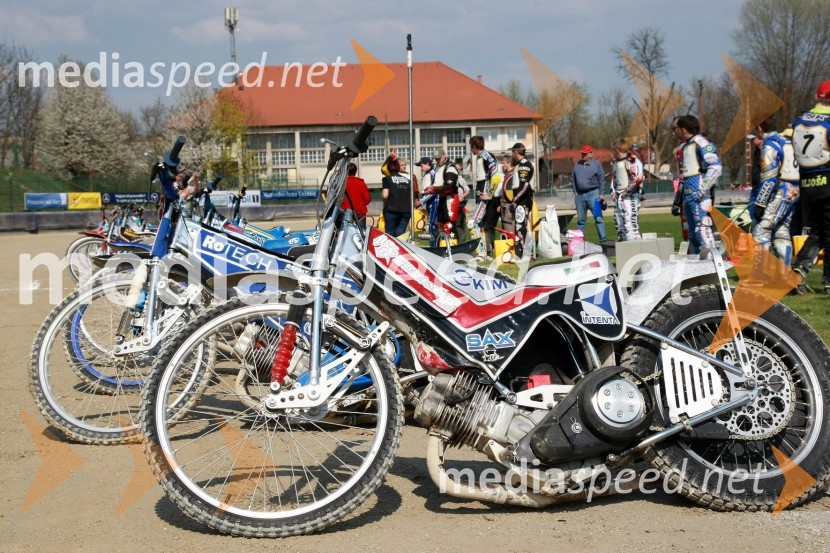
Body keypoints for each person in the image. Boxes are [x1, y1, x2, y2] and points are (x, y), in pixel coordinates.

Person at [792, 80, 830, 295]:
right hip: (827, 180)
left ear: (817, 97)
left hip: (807, 182)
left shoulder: (800, 120)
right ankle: (828, 282)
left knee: (817, 230)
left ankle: (799, 270)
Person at [750, 119, 800, 278]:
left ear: (760, 128)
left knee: (761, 229)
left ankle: (760, 275)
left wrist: (760, 203)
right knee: (782, 231)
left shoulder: (770, 145)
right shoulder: (788, 142)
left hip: (781, 190)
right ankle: (784, 274)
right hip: (795, 190)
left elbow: (769, 177)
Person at [673, 115, 722, 256]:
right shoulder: (688, 145)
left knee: (703, 231)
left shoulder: (701, 142)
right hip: (688, 196)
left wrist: (702, 189)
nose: (676, 133)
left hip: (700, 197)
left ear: (683, 129)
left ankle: (713, 268)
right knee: (693, 235)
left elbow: (715, 166)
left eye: (677, 130)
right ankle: (698, 271)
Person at [571, 145, 607, 244]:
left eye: (585, 153)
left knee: (598, 217)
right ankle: (580, 243)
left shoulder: (597, 164)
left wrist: (601, 194)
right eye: (582, 153)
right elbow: (573, 179)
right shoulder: (577, 165)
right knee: (581, 220)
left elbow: (602, 180)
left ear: (590, 154)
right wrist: (575, 191)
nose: (583, 155)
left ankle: (603, 240)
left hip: (593, 194)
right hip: (580, 196)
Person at [424, 148, 460, 245]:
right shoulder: (437, 168)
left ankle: (453, 247)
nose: (437, 160)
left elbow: (450, 187)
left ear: (444, 155)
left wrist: (434, 190)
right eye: (435, 159)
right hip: (440, 198)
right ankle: (442, 246)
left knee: (449, 224)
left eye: (439, 158)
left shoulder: (450, 168)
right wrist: (432, 188)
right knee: (440, 223)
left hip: (450, 199)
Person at [610, 138, 643, 241]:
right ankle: (623, 247)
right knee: (619, 224)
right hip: (619, 196)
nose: (613, 153)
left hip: (630, 196)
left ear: (618, 149)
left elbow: (638, 177)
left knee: (630, 224)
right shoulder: (615, 162)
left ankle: (635, 248)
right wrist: (613, 191)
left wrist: (627, 191)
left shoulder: (631, 160)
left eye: (614, 150)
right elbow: (614, 178)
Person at [509, 142, 535, 258]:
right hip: (521, 200)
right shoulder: (521, 164)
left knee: (521, 227)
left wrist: (515, 200)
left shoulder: (524, 165)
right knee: (520, 227)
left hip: (522, 201)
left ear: (515, 152)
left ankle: (526, 255)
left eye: (512, 152)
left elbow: (524, 186)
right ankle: (525, 254)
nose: (511, 155)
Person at [381, 158, 415, 238]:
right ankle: (402, 249)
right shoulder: (407, 180)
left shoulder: (387, 179)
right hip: (406, 209)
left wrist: (386, 203)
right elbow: (412, 194)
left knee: (390, 232)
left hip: (392, 209)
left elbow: (385, 195)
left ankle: (391, 250)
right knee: (401, 231)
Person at [341, 162, 371, 229]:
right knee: (361, 232)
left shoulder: (342, 184)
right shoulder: (361, 183)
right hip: (360, 211)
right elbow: (367, 199)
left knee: (345, 231)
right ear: (355, 171)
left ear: (346, 171)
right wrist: (361, 204)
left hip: (345, 211)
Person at [747, 133, 765, 227]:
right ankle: (754, 226)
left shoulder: (766, 150)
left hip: (762, 185)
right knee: (751, 208)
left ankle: (757, 227)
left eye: (754, 138)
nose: (752, 141)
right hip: (755, 185)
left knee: (757, 209)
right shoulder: (756, 151)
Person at [454, 157, 470, 241]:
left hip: (459, 205)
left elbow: (467, 190)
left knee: (460, 224)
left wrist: (462, 196)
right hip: (451, 205)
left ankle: (462, 242)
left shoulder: (461, 180)